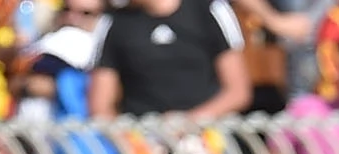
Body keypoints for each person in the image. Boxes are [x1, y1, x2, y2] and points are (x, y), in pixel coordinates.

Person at [89, 0, 252, 117]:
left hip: (207, 138)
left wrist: (188, 122)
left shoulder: (210, 9)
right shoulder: (114, 22)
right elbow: (100, 105)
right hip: (145, 145)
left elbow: (238, 92)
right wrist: (132, 146)